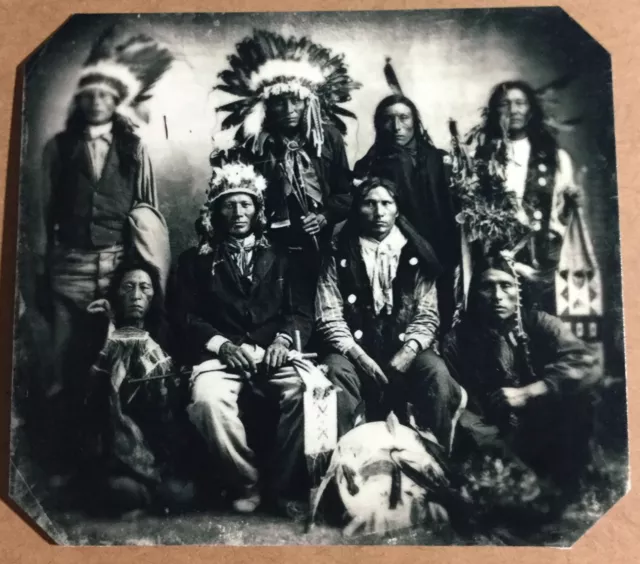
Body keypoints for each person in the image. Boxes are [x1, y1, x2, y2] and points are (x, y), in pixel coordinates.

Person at [32, 26, 173, 430]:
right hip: (69, 266)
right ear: (80, 100)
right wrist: (44, 265)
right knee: (65, 352)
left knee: (111, 352)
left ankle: (121, 438)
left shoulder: (133, 146)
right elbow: (41, 212)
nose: (96, 102)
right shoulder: (58, 148)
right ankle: (64, 440)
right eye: (89, 95)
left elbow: (147, 212)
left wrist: (137, 265)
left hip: (115, 265)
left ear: (116, 99)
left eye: (105, 95)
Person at [172, 160, 314, 514]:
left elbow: (299, 313)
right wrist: (222, 345)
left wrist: (282, 341)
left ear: (257, 209)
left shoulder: (283, 258)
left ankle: (283, 487)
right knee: (207, 400)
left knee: (308, 392)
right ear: (216, 211)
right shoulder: (194, 261)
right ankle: (246, 482)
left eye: (246, 203)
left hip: (273, 352)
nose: (238, 212)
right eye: (229, 204)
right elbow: (184, 315)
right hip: (221, 356)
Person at [315, 176, 467, 453]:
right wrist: (359, 357)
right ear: (357, 208)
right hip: (353, 351)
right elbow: (329, 315)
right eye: (369, 204)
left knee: (436, 374)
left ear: (398, 208)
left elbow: (428, 314)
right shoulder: (339, 251)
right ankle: (342, 462)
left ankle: (437, 459)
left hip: (405, 348)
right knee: (333, 373)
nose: (379, 212)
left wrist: (408, 352)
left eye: (387, 203)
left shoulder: (416, 253)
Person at [441, 253, 599, 490]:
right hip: (491, 440)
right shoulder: (457, 341)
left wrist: (530, 392)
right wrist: (500, 452)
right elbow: (463, 410)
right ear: (473, 294)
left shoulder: (539, 323)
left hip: (544, 430)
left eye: (506, 286)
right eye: (487, 287)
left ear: (519, 291)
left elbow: (585, 361)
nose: (497, 297)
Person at [213, 29, 359, 282]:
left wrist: (324, 217)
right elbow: (240, 198)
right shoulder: (253, 144)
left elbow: (344, 193)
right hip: (269, 248)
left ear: (309, 102)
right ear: (267, 105)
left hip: (319, 245)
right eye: (280, 102)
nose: (289, 110)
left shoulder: (327, 138)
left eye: (296, 101)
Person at [85, 261, 192, 515]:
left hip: (159, 445)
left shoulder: (166, 335)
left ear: (154, 295)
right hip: (119, 448)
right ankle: (137, 494)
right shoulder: (104, 336)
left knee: (182, 493)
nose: (136, 296)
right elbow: (93, 401)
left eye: (145, 288)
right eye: (128, 288)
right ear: (116, 294)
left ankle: (147, 494)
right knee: (120, 490)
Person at [469, 80, 584, 311]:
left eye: (520, 103)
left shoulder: (556, 158)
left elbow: (563, 217)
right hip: (492, 263)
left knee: (540, 325)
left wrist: (572, 204)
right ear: (494, 111)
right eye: (505, 104)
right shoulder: (477, 157)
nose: (513, 110)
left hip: (539, 263)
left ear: (531, 109)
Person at [354, 94, 459, 333]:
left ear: (415, 120)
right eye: (388, 119)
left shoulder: (440, 160)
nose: (397, 127)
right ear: (379, 125)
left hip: (443, 249)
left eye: (404, 117)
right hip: (397, 252)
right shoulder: (368, 165)